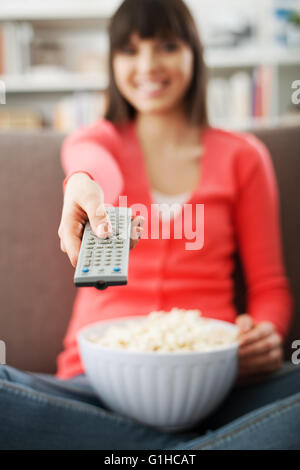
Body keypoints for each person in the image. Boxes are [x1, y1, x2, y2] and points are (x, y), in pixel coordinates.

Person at [0, 0, 299, 450]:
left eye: (166, 46)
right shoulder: (97, 140)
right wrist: (87, 187)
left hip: (216, 382)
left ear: (193, 54)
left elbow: (270, 287)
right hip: (95, 386)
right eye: (129, 50)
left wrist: (265, 334)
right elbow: (94, 167)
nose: (147, 65)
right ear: (112, 62)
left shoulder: (243, 156)